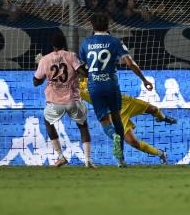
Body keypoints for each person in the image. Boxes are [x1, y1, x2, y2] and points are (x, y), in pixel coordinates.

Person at [79, 13, 153, 167]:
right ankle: (121, 159)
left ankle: (114, 137)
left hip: (94, 86)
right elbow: (129, 62)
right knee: (117, 118)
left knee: (104, 121)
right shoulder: (115, 41)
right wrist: (144, 79)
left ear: (92, 26)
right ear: (108, 25)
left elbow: (82, 68)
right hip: (111, 85)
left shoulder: (86, 43)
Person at [33, 32, 95, 168]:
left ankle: (61, 157)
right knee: (83, 126)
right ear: (64, 44)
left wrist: (42, 69)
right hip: (72, 99)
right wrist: (81, 68)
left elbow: (36, 82)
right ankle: (88, 160)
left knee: (48, 123)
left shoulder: (45, 60)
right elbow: (84, 74)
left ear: (52, 45)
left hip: (54, 102)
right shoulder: (71, 56)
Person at [78, 78, 176, 163]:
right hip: (115, 113)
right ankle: (161, 153)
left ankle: (163, 118)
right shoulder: (75, 88)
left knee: (153, 109)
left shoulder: (92, 74)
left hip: (125, 102)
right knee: (133, 142)